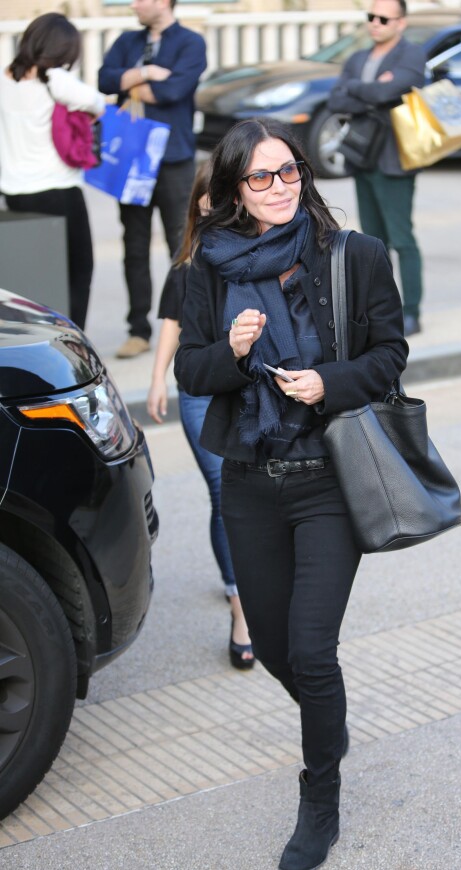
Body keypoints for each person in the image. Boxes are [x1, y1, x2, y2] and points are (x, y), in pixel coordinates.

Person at [174, 117, 408, 870]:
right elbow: (191, 375)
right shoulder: (206, 268)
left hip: (329, 481)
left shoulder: (355, 256)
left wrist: (327, 383)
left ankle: (320, 798)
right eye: (261, 177)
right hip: (249, 481)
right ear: (235, 189)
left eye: (290, 172)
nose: (280, 188)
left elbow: (390, 354)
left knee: (311, 651)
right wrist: (235, 353)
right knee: (273, 647)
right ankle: (327, 725)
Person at [147, 162, 254, 669]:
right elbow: (170, 322)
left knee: (246, 489)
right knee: (223, 491)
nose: (216, 208)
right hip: (197, 393)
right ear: (197, 205)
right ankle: (240, 608)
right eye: (208, 199)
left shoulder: (253, 258)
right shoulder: (187, 266)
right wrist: (155, 380)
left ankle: (250, 578)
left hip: (244, 388)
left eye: (225, 197)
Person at [98, 0, 207, 359]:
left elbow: (173, 92)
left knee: (184, 245)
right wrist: (148, 73)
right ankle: (138, 330)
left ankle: (186, 326)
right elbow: (104, 79)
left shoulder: (191, 42)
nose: (134, 4)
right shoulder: (127, 40)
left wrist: (132, 81)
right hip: (132, 158)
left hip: (173, 158)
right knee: (135, 245)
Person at [0, 13, 105, 331]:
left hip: (14, 196)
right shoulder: (55, 79)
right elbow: (98, 103)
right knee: (79, 271)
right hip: (59, 192)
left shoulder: (4, 79)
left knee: (29, 280)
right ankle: (72, 341)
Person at [327, 0, 426, 337]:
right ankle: (382, 312)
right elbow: (336, 99)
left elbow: (391, 90)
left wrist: (363, 90)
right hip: (362, 155)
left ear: (401, 22)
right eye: (371, 17)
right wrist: (371, 91)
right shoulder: (357, 58)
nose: (375, 23)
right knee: (373, 242)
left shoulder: (411, 55)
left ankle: (411, 311)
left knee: (402, 238)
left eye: (383, 18)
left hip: (395, 159)